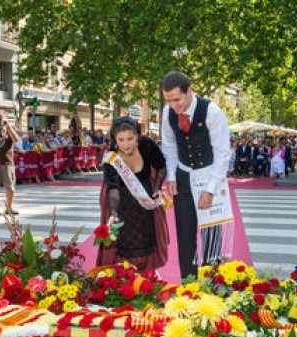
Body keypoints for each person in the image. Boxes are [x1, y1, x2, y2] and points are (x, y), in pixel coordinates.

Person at [160, 71, 233, 280]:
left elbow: (222, 154)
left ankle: (212, 286)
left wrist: (210, 190)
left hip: (209, 175)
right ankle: (188, 285)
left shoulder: (212, 112)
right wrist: (172, 175)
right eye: (169, 100)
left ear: (189, 91)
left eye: (177, 99)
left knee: (211, 235)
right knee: (184, 235)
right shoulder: (168, 113)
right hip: (183, 176)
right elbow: (170, 145)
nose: (174, 105)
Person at [96, 117, 169, 272]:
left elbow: (161, 166)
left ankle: (148, 272)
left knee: (147, 236)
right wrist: (113, 212)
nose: (126, 144)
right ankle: (126, 274)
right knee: (125, 240)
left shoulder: (148, 145)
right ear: (115, 139)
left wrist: (157, 188)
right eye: (121, 140)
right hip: (122, 202)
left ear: (138, 136)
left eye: (130, 138)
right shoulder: (111, 158)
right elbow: (113, 188)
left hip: (144, 197)